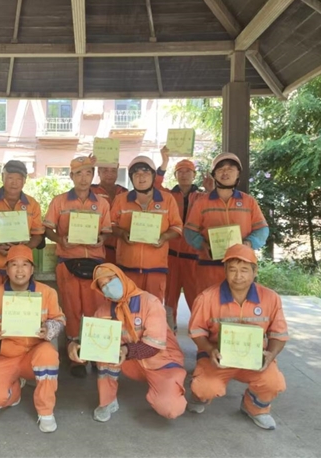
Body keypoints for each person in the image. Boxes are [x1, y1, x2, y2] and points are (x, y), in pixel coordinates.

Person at [68, 264, 187, 422]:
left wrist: (125, 350)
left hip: (163, 363)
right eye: (103, 285)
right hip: (132, 364)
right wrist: (76, 346)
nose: (108, 286)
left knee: (170, 408)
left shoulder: (150, 302)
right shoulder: (104, 311)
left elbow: (153, 347)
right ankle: (107, 401)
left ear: (122, 277)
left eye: (111, 279)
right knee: (105, 351)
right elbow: (92, 341)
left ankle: (165, 390)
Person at [187, 244, 288, 430]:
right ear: (225, 271)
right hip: (217, 358)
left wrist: (271, 355)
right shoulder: (207, 297)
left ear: (255, 271)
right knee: (204, 388)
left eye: (244, 270)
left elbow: (279, 334)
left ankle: (254, 408)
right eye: (232, 269)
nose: (238, 276)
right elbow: (196, 331)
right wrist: (209, 349)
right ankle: (199, 396)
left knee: (274, 383)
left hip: (254, 359)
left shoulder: (271, 298)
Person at [0, 245, 65, 433]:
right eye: (14, 265)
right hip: (5, 357)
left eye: (25, 264)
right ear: (7, 269)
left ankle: (46, 411)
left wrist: (48, 329)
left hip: (35, 355)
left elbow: (59, 320)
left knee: (48, 354)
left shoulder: (47, 293)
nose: (20, 270)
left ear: (32, 269)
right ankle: (15, 390)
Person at [0, 160, 45, 381]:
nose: (14, 182)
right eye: (10, 177)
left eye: (19, 178)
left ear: (25, 180)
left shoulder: (32, 204)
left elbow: (38, 234)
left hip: (19, 270)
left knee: (19, 312)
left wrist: (22, 250)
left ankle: (15, 357)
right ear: (2, 177)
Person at [44, 155, 112, 377]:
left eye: (88, 173)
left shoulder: (102, 203)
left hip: (95, 265)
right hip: (68, 262)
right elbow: (48, 229)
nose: (84, 178)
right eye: (79, 173)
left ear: (93, 176)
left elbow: (106, 231)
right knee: (72, 310)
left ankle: (94, 353)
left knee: (95, 310)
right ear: (71, 176)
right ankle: (76, 358)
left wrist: (101, 239)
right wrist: (60, 240)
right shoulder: (59, 201)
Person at [184, 152, 269, 296]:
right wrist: (203, 245)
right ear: (214, 174)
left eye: (230, 169)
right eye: (220, 169)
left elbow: (262, 230)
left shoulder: (248, 201)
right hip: (209, 267)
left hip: (241, 267)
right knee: (209, 306)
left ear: (238, 174)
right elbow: (189, 231)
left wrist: (248, 243)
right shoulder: (201, 202)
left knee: (240, 307)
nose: (225, 173)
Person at [110, 155, 183, 302]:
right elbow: (109, 225)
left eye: (145, 172)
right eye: (136, 174)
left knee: (153, 310)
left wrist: (164, 237)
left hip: (156, 269)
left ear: (153, 176)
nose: (141, 177)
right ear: (131, 178)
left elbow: (177, 227)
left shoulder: (167, 199)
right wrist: (122, 233)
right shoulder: (121, 200)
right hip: (127, 268)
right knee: (128, 308)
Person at [153, 146, 209, 331]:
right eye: (180, 172)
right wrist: (164, 163)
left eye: (188, 171)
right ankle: (170, 331)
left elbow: (216, 203)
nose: (184, 175)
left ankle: (200, 331)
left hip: (194, 257)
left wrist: (212, 188)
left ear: (194, 175)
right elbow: (154, 186)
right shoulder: (168, 196)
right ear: (175, 175)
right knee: (169, 297)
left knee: (196, 297)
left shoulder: (203, 197)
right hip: (171, 256)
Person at [91, 164, 128, 264]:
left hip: (122, 248)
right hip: (97, 248)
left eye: (113, 171)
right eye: (105, 170)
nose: (109, 174)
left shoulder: (125, 193)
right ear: (98, 172)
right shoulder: (91, 191)